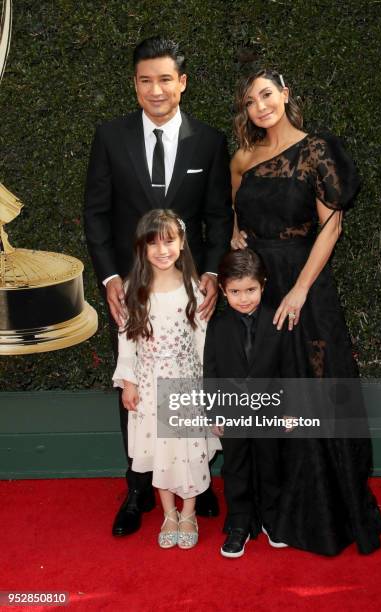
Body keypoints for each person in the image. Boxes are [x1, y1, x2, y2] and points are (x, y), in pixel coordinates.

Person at [230, 68, 381, 556]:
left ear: (285, 94)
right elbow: (235, 214)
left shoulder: (317, 150)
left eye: (267, 94)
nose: (261, 106)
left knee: (312, 392)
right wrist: (237, 238)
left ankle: (323, 511)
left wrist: (298, 290)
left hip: (305, 287)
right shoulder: (242, 158)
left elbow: (331, 228)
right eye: (251, 100)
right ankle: (270, 508)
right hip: (260, 288)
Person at [84, 36, 232, 535]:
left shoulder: (208, 141)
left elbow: (217, 214)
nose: (156, 89)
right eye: (146, 80)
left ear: (182, 83)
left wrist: (211, 273)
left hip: (189, 291)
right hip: (133, 291)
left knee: (191, 382)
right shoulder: (110, 136)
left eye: (165, 79)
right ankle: (138, 487)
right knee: (136, 387)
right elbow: (96, 213)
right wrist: (108, 277)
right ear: (135, 84)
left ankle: (198, 482)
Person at [112, 209, 219, 548]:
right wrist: (128, 382)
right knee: (158, 450)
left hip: (185, 385)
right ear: (142, 248)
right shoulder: (134, 289)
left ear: (182, 242)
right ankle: (168, 513)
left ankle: (189, 513)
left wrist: (208, 389)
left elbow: (202, 341)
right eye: (153, 243)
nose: (162, 250)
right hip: (148, 385)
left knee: (186, 451)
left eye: (169, 241)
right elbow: (126, 338)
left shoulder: (194, 288)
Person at [204, 249, 294, 558]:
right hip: (231, 413)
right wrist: (214, 412)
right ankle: (239, 522)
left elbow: (288, 370)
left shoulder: (278, 320)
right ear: (224, 289)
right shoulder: (217, 327)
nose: (244, 298)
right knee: (236, 467)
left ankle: (271, 517)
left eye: (251, 290)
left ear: (263, 285)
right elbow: (211, 371)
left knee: (271, 465)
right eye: (235, 291)